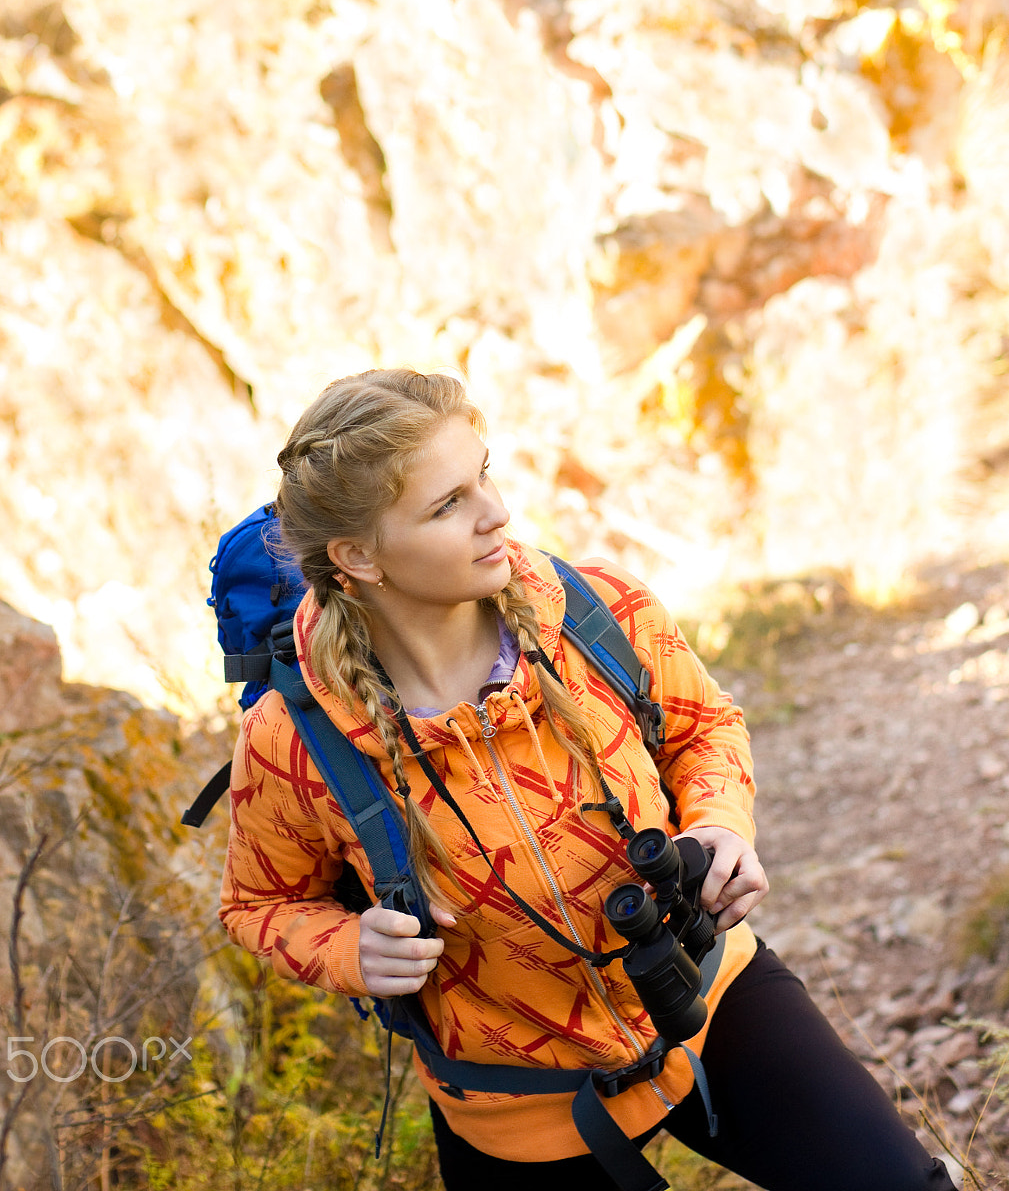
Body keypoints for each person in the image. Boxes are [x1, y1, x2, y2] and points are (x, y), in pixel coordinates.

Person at [219, 368, 955, 1191]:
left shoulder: (598, 609)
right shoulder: (293, 739)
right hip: (515, 1101)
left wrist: (718, 823)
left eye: (483, 474)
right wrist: (348, 947)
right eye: (447, 504)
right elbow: (258, 906)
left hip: (709, 993)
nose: (495, 512)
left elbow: (702, 727)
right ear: (358, 556)